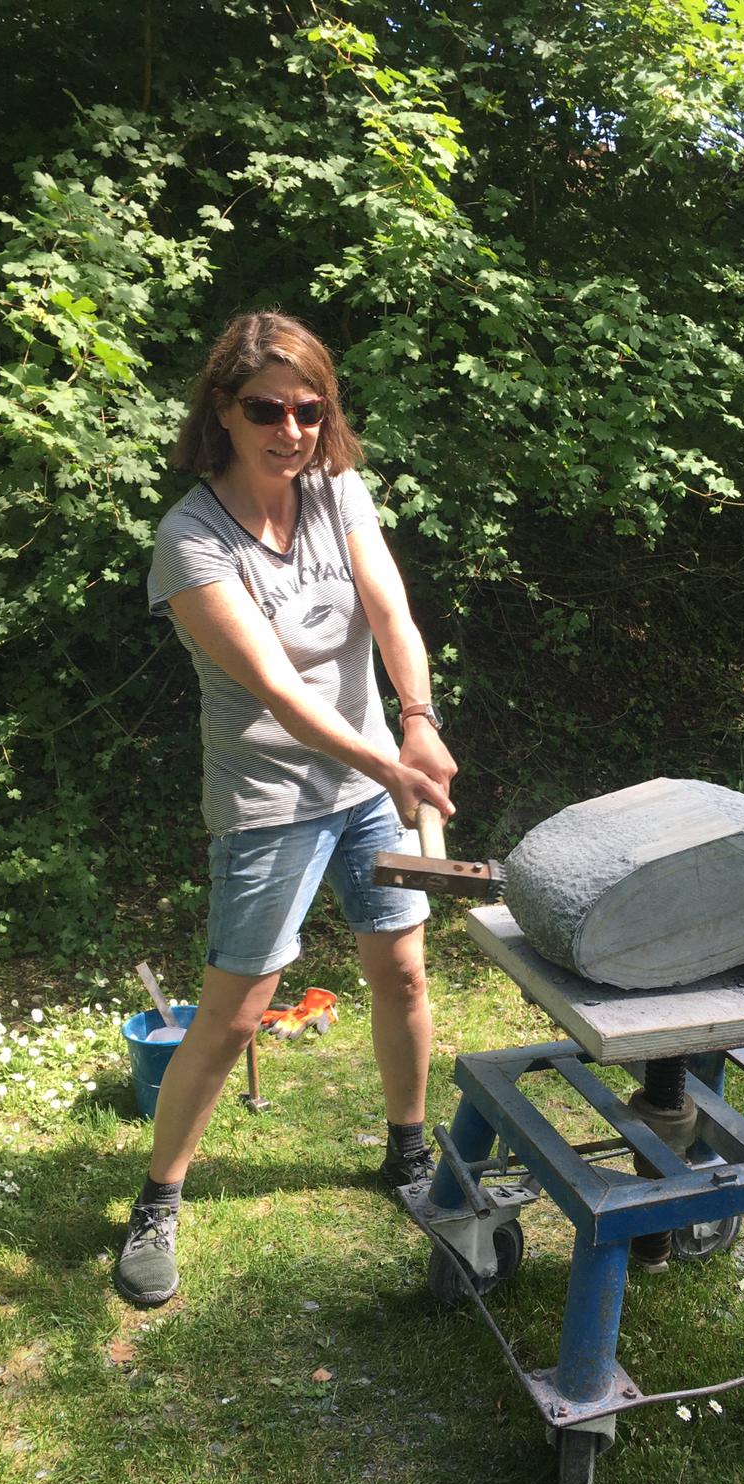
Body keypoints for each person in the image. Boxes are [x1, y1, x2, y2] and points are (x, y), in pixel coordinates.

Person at [113, 310, 457, 1308]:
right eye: (267, 409)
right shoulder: (190, 540)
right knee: (233, 1015)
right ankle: (157, 1201)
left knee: (402, 969)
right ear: (223, 409)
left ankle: (407, 1149)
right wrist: (393, 764)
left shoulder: (337, 488)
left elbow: (389, 609)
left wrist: (418, 719)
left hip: (371, 787)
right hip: (268, 800)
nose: (292, 430)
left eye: (310, 409)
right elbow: (274, 688)